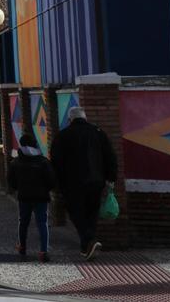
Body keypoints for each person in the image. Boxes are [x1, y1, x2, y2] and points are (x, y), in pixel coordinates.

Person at [51, 107, 118, 261]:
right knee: (92, 213)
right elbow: (110, 156)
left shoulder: (62, 136)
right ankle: (86, 248)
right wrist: (111, 178)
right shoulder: (98, 133)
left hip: (72, 183)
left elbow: (56, 162)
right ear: (85, 118)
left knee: (77, 213)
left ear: (70, 120)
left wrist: (57, 184)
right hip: (96, 181)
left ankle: (89, 240)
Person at [8, 132, 57, 262]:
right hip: (41, 197)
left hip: (24, 196)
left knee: (23, 222)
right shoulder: (43, 161)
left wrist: (18, 188)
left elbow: (11, 181)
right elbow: (52, 180)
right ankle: (43, 251)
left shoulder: (16, 162)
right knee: (42, 223)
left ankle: (22, 246)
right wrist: (46, 189)